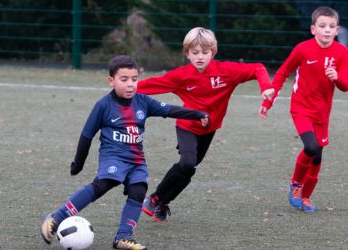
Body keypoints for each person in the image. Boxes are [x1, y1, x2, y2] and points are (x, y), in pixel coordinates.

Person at [39, 55, 209, 250]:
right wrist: (78, 163)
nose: (130, 85)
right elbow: (87, 135)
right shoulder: (103, 105)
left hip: (137, 161)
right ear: (111, 81)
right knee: (103, 184)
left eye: (134, 79)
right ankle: (55, 219)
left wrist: (198, 114)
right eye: (124, 79)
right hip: (113, 157)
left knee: (138, 191)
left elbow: (170, 110)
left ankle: (123, 237)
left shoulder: (143, 102)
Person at [137, 27, 275, 222]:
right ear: (187, 53)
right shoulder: (181, 76)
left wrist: (266, 87)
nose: (200, 57)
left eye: (205, 52)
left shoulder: (227, 72)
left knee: (189, 169)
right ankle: (155, 198)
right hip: (186, 126)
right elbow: (151, 84)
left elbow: (257, 68)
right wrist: (127, 87)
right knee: (187, 163)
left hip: (209, 129)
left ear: (213, 52)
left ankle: (163, 203)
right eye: (194, 53)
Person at [260, 6, 348, 212]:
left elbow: (346, 85)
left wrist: (337, 78)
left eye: (331, 26)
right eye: (322, 26)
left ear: (337, 31)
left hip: (322, 112)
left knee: (317, 156)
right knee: (310, 147)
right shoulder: (303, 49)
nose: (327, 30)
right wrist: (268, 100)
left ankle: (307, 197)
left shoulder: (341, 52)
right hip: (300, 107)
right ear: (313, 29)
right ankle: (295, 184)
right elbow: (283, 72)